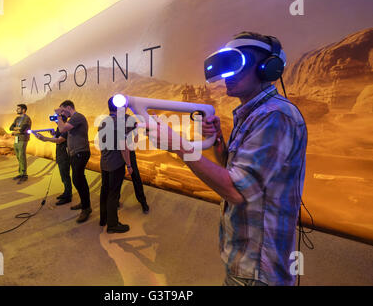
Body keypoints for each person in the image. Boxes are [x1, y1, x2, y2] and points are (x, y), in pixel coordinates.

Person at [146, 32, 307, 286]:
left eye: (235, 65)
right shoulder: (253, 114)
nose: (225, 77)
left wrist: (179, 146)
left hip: (257, 268)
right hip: (245, 259)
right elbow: (233, 173)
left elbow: (235, 191)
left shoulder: (274, 115)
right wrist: (220, 143)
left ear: (267, 68)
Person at [97, 97, 133, 233]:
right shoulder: (119, 123)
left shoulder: (103, 122)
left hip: (105, 162)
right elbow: (124, 147)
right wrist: (129, 165)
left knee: (104, 191)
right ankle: (112, 225)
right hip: (116, 164)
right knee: (113, 194)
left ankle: (103, 219)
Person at [56, 100, 91, 223]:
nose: (62, 113)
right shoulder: (73, 119)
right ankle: (85, 203)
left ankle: (86, 208)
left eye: (63, 110)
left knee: (77, 179)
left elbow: (62, 129)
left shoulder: (77, 117)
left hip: (80, 152)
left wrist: (59, 116)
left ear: (69, 107)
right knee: (80, 179)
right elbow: (62, 136)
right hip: (75, 153)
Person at [34, 115, 76, 206]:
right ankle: (66, 192)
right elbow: (57, 137)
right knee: (63, 176)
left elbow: (59, 140)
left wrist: (45, 138)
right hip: (60, 154)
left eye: (57, 118)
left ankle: (68, 196)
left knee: (65, 176)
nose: (55, 120)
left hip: (65, 156)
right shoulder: (60, 128)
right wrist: (53, 134)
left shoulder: (65, 128)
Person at [117, 111, 149, 214]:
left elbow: (136, 135)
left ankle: (143, 202)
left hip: (129, 151)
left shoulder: (130, 119)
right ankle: (115, 200)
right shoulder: (113, 119)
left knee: (135, 176)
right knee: (117, 177)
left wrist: (131, 146)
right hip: (117, 153)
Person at [9, 104, 32, 184]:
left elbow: (22, 129)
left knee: (22, 156)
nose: (17, 110)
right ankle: (21, 173)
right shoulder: (17, 118)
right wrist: (17, 129)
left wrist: (16, 130)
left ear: (23, 110)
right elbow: (10, 128)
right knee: (18, 156)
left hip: (23, 139)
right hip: (16, 139)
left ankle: (24, 175)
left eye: (18, 109)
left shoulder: (27, 118)